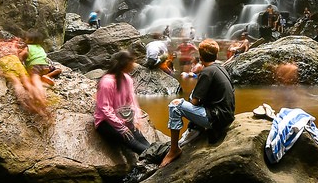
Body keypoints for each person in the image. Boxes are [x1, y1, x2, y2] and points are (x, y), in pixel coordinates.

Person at [161, 39, 235, 167]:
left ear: (200, 57)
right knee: (190, 98)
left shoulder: (207, 72)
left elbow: (195, 102)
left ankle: (174, 150)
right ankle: (194, 130)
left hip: (216, 118)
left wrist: (188, 100)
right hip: (226, 115)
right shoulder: (220, 69)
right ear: (216, 56)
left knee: (175, 105)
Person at [94, 50, 149, 155]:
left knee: (141, 138)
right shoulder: (107, 82)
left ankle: (159, 154)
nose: (135, 65)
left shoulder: (127, 78)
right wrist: (121, 127)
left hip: (123, 117)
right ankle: (157, 157)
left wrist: (136, 118)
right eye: (132, 63)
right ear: (125, 64)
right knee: (131, 141)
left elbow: (132, 101)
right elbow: (105, 108)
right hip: (105, 122)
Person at [0, 35, 49, 121]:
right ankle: (41, 104)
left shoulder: (1, 46)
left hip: (6, 61)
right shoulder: (16, 45)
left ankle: (27, 104)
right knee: (27, 82)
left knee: (16, 82)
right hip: (16, 61)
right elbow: (19, 55)